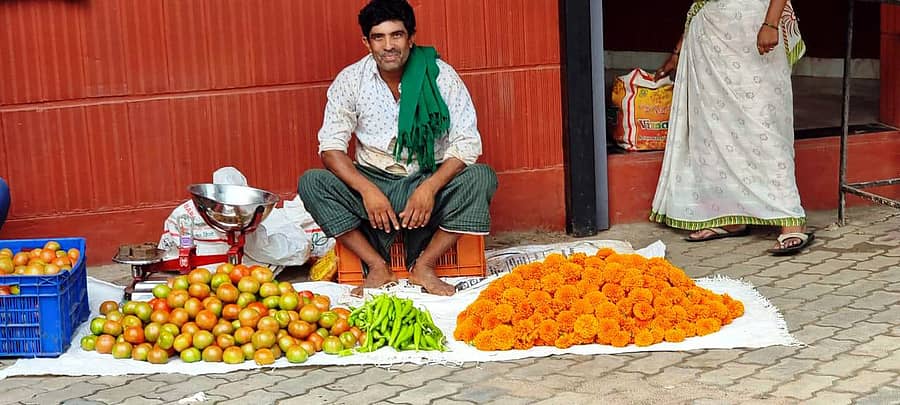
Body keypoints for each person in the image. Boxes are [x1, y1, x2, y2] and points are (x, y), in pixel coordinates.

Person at [298, 0, 497, 296]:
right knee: (311, 182)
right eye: (379, 37)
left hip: (426, 176)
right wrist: (367, 190)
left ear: (411, 37)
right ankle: (377, 265)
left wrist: (429, 188)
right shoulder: (351, 80)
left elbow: (468, 143)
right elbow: (331, 147)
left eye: (397, 35)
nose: (388, 46)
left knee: (481, 177)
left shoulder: (440, 76)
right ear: (366, 42)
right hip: (373, 179)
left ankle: (423, 266)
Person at [649, 0, 814, 255]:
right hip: (710, 35)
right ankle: (730, 217)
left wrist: (770, 23)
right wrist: (679, 49)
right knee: (713, 130)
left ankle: (790, 220)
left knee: (765, 125)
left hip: (755, 28)